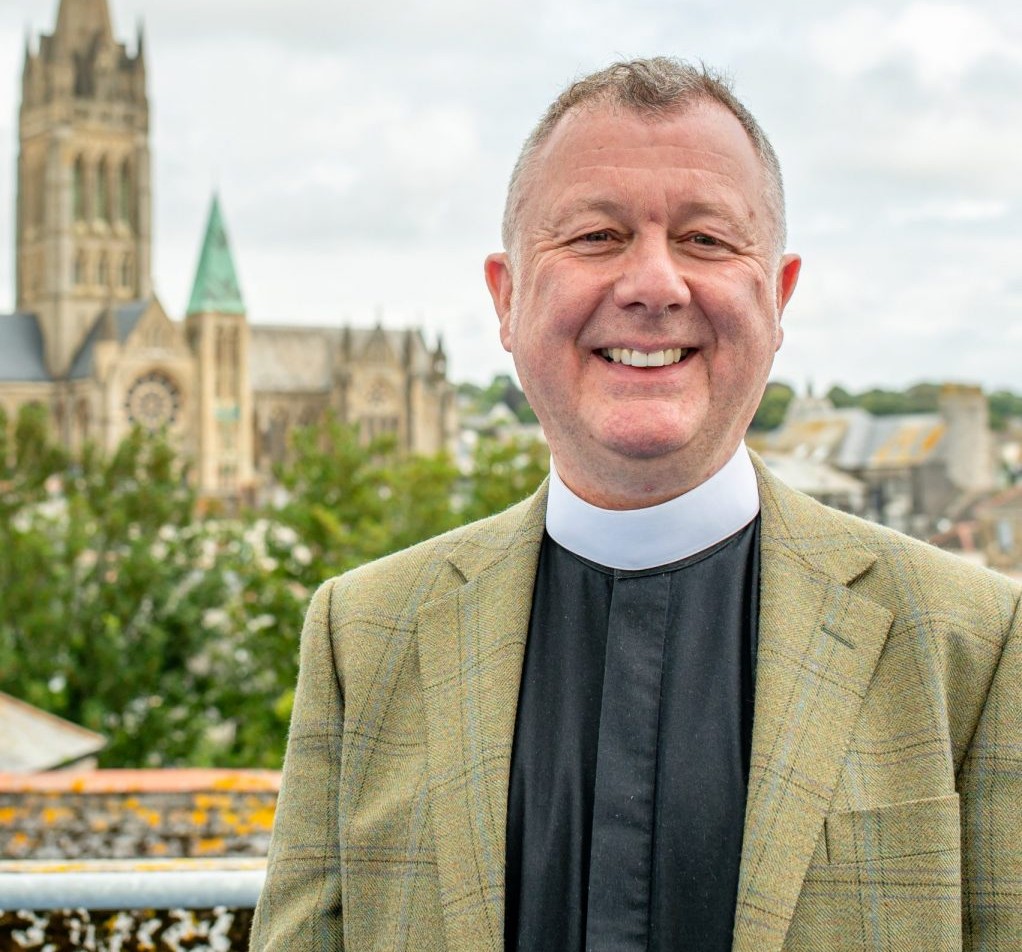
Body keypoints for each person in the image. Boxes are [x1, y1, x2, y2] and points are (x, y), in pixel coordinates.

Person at [250, 58, 1022, 952]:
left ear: (779, 297)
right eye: (594, 236)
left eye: (705, 240)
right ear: (506, 300)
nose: (653, 283)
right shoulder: (364, 635)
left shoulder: (972, 643)